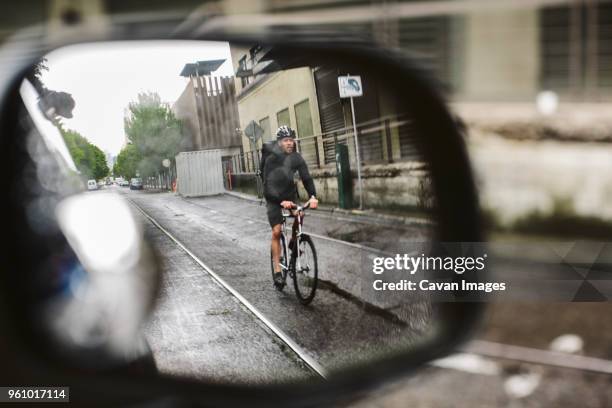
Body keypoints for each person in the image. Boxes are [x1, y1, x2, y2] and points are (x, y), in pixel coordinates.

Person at [259, 125, 318, 286]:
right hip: (273, 197)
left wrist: (313, 196)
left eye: (292, 140)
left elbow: (306, 178)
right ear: (279, 143)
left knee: (300, 214)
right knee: (277, 231)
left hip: (289, 194)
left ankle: (293, 241)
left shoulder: (296, 158)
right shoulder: (271, 159)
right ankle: (278, 271)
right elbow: (267, 186)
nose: (290, 143)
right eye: (286, 140)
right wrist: (280, 202)